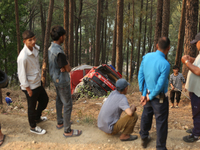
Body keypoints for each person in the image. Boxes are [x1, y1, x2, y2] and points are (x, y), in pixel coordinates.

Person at [48, 25, 82, 137]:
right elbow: (68, 69)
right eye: (64, 36)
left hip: (55, 78)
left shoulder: (50, 48)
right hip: (62, 80)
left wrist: (63, 67)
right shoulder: (59, 52)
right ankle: (67, 130)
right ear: (61, 37)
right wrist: (66, 67)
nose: (65, 38)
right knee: (67, 104)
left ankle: (60, 122)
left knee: (59, 100)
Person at [138, 37, 171, 149]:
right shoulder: (165, 64)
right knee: (161, 122)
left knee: (146, 115)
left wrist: (143, 94)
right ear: (169, 48)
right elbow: (160, 85)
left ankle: (144, 137)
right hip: (158, 99)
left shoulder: (146, 57)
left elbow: (141, 75)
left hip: (146, 94)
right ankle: (160, 147)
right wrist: (149, 96)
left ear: (157, 46)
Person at [17, 30, 49, 135]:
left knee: (44, 100)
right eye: (30, 40)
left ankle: (37, 117)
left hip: (37, 83)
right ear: (24, 42)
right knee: (32, 106)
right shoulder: (23, 57)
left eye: (34, 38)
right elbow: (21, 75)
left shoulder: (35, 49)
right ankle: (33, 127)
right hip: (30, 86)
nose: (33, 41)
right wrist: (28, 89)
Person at [181, 32, 200, 143]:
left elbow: (198, 71)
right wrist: (191, 59)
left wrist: (187, 62)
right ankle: (197, 128)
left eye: (196, 43)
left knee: (197, 113)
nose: (195, 45)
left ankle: (196, 134)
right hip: (196, 90)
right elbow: (197, 64)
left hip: (198, 92)